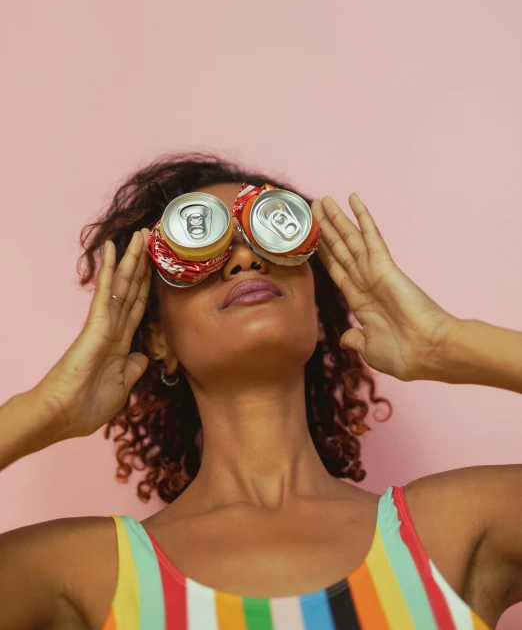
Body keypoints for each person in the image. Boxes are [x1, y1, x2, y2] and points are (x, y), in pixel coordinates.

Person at [0, 152, 521, 630]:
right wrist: (42, 411)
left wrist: (450, 343)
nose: (244, 260)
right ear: (158, 337)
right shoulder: (81, 571)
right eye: (200, 247)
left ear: (318, 311)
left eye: (270, 235)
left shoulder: (451, 529)